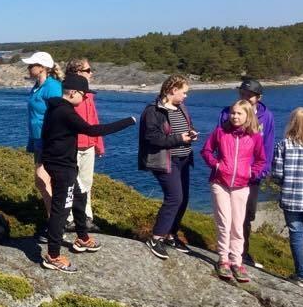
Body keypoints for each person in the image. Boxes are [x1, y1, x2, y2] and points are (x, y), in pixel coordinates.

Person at [39, 74, 136, 272]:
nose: (85, 99)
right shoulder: (65, 112)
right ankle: (53, 256)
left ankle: (82, 237)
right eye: (84, 95)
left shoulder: (55, 107)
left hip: (60, 164)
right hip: (62, 168)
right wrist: (128, 121)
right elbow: (92, 130)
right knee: (61, 210)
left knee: (79, 197)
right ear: (73, 92)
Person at [202, 100, 266, 282]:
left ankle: (237, 262)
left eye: (239, 114)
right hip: (220, 183)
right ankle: (223, 260)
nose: (235, 116)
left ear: (248, 116)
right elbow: (206, 151)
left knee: (238, 225)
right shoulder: (220, 132)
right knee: (224, 223)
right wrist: (216, 165)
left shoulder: (255, 136)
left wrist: (250, 173)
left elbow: (262, 160)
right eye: (233, 113)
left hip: (241, 186)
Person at [139, 75, 200, 260]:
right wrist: (180, 138)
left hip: (184, 159)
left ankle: (171, 234)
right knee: (175, 197)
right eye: (184, 92)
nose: (186, 96)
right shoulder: (153, 111)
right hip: (165, 161)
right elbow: (153, 138)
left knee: (184, 198)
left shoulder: (181, 107)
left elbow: (185, 126)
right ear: (173, 90)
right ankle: (156, 237)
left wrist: (191, 133)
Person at [217, 77, 274, 269]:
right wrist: (219, 165)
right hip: (229, 173)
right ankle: (225, 254)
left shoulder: (267, 117)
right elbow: (218, 141)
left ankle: (242, 253)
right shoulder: (227, 112)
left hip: (251, 175)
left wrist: (261, 171)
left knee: (247, 215)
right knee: (226, 216)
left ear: (258, 97)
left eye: (249, 95)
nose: (245, 97)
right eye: (242, 93)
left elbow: (267, 146)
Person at [272, 108, 303, 291]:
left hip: (291, 199)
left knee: (296, 236)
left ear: (292, 123)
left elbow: (277, 174)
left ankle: (302, 275)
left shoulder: (283, 145)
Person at [22, 51, 63, 231]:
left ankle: (57, 220)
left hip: (47, 138)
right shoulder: (37, 87)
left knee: (43, 179)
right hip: (37, 137)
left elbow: (60, 113)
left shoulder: (52, 87)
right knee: (42, 181)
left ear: (43, 67)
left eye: (32, 65)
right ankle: (54, 219)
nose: (29, 68)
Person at [64, 58, 103, 233]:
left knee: (87, 183)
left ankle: (86, 217)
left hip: (88, 146)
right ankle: (70, 219)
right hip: (72, 146)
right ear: (78, 72)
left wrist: (98, 143)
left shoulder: (89, 95)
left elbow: (94, 121)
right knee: (72, 185)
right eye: (88, 70)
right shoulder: (67, 95)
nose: (91, 73)